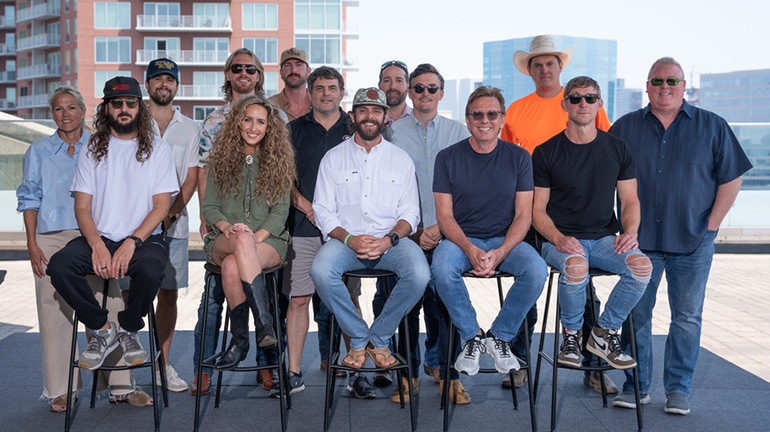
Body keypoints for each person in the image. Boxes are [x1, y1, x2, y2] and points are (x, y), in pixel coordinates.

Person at [609, 57, 752, 415]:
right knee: (637, 313)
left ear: (684, 86)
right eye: (657, 81)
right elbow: (601, 177)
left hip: (693, 241)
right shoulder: (624, 127)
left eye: (672, 80)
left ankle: (678, 389)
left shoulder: (712, 126)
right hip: (639, 242)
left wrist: (712, 226)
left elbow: (731, 178)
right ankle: (636, 385)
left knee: (686, 317)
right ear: (647, 87)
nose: (665, 87)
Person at [45, 77, 177, 404]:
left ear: (139, 107)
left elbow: (162, 206)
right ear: (106, 107)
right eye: (116, 103)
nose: (123, 109)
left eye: (130, 103)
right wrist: (97, 244)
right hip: (100, 237)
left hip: (143, 238)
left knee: (150, 271)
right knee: (60, 267)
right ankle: (103, 329)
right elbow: (82, 206)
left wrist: (133, 240)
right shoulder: (93, 148)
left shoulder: (157, 148)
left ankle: (129, 328)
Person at [16, 86, 148, 411]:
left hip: (93, 235)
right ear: (52, 114)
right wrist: (32, 244)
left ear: (82, 110)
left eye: (71, 107)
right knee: (53, 312)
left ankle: (121, 386)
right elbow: (29, 199)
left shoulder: (102, 147)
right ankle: (61, 389)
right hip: (50, 237)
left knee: (111, 303)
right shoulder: (38, 152)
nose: (65, 114)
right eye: (59, 109)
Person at [502, 35, 614, 392]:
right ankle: (518, 363)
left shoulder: (584, 102)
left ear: (560, 67)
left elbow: (606, 155)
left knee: (586, 289)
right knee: (528, 284)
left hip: (583, 216)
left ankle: (594, 367)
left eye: (550, 63)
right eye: (537, 64)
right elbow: (506, 162)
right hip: (533, 212)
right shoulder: (517, 110)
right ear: (529, 70)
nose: (544, 69)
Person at [309, 87, 430, 397]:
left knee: (420, 273)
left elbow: (410, 212)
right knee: (321, 271)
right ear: (353, 116)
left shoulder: (400, 159)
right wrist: (349, 238)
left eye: (375, 111)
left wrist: (388, 240)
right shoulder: (333, 158)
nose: (369, 116)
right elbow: (322, 209)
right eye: (362, 110)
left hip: (391, 243)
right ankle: (361, 338)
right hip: (345, 241)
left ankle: (378, 337)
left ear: (385, 117)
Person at [532, 76, 651, 373]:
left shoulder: (617, 148)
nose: (582, 103)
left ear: (599, 103)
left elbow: (630, 200)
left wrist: (631, 232)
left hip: (602, 240)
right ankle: (571, 337)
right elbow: (537, 211)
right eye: (575, 98)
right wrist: (558, 239)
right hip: (558, 241)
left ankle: (603, 332)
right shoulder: (546, 152)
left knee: (642, 267)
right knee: (575, 266)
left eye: (589, 97)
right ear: (564, 104)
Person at [432, 86, 547, 378]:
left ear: (502, 119)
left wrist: (500, 252)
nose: (485, 120)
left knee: (536, 270)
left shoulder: (520, 158)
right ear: (468, 120)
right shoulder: (447, 158)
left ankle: (499, 337)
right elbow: (444, 216)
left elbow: (523, 215)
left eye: (492, 114)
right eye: (477, 114)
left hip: (503, 239)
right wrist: (470, 250)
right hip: (460, 240)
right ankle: (472, 336)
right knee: (441, 268)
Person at [386, 63, 471, 404]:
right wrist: (413, 230)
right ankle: (406, 376)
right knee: (406, 306)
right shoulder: (391, 132)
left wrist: (438, 228)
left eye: (431, 88)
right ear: (409, 92)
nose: (424, 94)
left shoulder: (459, 132)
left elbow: (470, 188)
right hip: (405, 235)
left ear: (441, 93)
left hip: (447, 234)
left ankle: (448, 374)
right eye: (418, 88)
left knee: (445, 307)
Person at [193, 47, 273, 395]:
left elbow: (280, 173)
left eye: (251, 69)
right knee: (211, 302)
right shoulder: (213, 121)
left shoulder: (275, 117)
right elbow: (203, 170)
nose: (244, 73)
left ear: (259, 76)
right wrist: (205, 216)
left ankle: (266, 365)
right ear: (228, 74)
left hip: (259, 228)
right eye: (237, 68)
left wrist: (262, 231)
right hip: (223, 223)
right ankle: (204, 368)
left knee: (249, 277)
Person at [201, 95, 295, 370]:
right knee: (237, 245)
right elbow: (209, 206)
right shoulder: (220, 160)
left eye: (260, 122)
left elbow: (280, 212)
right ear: (237, 123)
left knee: (232, 267)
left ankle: (240, 340)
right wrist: (227, 227)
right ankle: (264, 323)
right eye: (248, 120)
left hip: (268, 240)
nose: (254, 127)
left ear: (269, 128)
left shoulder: (278, 161)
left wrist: (254, 238)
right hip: (224, 238)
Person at [284, 66, 357, 395]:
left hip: (347, 232)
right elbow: (281, 177)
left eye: (332, 87)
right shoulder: (293, 130)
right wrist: (308, 207)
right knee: (299, 298)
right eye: (320, 88)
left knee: (348, 300)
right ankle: (294, 372)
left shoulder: (356, 128)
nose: (326, 93)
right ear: (310, 93)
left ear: (343, 92)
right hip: (303, 225)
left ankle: (358, 372)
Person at [136, 58, 200, 392]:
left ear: (177, 86)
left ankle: (162, 364)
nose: (164, 85)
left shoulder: (190, 128)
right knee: (130, 293)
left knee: (168, 294)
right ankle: (126, 370)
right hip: (130, 227)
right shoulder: (131, 120)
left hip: (173, 227)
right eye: (157, 79)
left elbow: (191, 177)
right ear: (147, 85)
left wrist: (171, 214)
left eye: (170, 80)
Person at [267, 47, 311, 121]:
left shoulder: (319, 104)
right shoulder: (269, 106)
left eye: (299, 65)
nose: (293, 70)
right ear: (281, 72)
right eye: (288, 65)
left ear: (308, 71)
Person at [379, 60, 412, 125]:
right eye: (387, 81)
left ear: (408, 86)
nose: (392, 86)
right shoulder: (370, 120)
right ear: (379, 86)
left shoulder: (419, 119)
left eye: (399, 81)